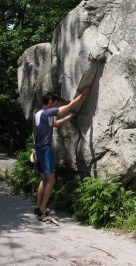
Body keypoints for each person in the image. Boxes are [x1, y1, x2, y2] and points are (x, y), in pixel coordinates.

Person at [32, 87, 90, 222]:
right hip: (45, 149)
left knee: (44, 180)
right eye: (55, 104)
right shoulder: (46, 113)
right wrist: (82, 95)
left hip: (38, 149)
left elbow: (56, 124)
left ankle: (38, 206)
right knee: (51, 180)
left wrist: (69, 116)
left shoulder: (38, 115)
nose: (56, 106)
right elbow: (69, 107)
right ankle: (43, 209)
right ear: (50, 102)